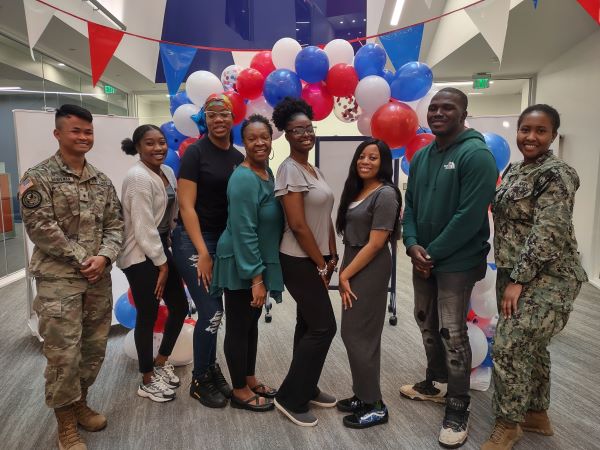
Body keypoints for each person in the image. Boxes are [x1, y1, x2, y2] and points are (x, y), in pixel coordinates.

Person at [482, 104, 588, 450]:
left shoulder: (557, 174)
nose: (531, 137)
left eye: (540, 131)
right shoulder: (516, 170)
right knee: (533, 346)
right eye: (525, 129)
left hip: (548, 278)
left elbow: (548, 233)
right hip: (514, 273)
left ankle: (508, 424)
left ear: (553, 135)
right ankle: (536, 413)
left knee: (510, 346)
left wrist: (518, 280)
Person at [20, 104, 123, 450]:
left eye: (88, 131)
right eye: (76, 130)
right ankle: (65, 424)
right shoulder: (38, 177)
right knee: (63, 354)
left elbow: (116, 224)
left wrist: (104, 256)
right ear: (58, 133)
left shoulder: (101, 180)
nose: (83, 137)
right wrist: (84, 259)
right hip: (59, 281)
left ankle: (80, 402)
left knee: (93, 349)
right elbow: (40, 227)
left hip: (97, 278)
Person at [399, 88, 498, 448]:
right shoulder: (424, 155)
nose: (438, 113)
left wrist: (431, 253)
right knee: (425, 320)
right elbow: (410, 205)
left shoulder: (476, 155)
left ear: (463, 113)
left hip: (456, 260)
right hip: (424, 256)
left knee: (452, 332)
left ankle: (458, 406)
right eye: (434, 108)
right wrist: (412, 243)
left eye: (448, 108)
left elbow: (469, 216)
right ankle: (436, 381)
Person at [172, 94, 243, 408]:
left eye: (224, 114)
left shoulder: (237, 157)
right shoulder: (195, 153)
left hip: (222, 241)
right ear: (205, 120)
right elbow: (186, 206)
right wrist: (202, 251)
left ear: (232, 118)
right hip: (193, 240)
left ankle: (211, 369)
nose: (218, 120)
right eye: (212, 115)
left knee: (216, 312)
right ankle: (199, 380)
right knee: (212, 311)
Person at [271, 97, 338, 427]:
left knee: (308, 324)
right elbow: (297, 225)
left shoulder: (314, 169)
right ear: (286, 134)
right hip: (297, 259)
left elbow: (324, 216)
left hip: (317, 256)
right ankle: (289, 397)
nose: (305, 134)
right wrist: (319, 263)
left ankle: (307, 386)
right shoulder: (289, 169)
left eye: (309, 128)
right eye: (297, 130)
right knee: (325, 327)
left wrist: (332, 253)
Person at [211, 114, 284, 412]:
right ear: (243, 142)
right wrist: (256, 278)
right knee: (240, 326)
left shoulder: (266, 172)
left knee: (251, 324)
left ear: (271, 139)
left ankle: (249, 378)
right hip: (240, 261)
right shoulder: (243, 178)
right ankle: (239, 390)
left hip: (255, 260)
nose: (259, 143)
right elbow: (244, 231)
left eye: (264, 137)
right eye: (252, 138)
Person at [118, 125, 188, 403]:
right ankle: (146, 379)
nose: (158, 148)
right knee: (147, 313)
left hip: (159, 247)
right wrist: (163, 264)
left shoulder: (166, 172)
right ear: (138, 147)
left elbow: (169, 214)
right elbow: (143, 227)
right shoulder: (137, 177)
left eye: (161, 142)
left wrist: (167, 252)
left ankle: (160, 361)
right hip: (139, 253)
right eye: (150, 143)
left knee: (179, 306)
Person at [335, 138, 402, 429]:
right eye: (362, 156)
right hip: (355, 261)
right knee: (353, 332)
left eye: (373, 157)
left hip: (370, 267)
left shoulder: (385, 194)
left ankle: (375, 405)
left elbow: (376, 244)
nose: (365, 161)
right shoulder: (359, 189)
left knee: (360, 335)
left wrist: (345, 274)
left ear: (383, 162)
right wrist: (345, 269)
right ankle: (362, 395)